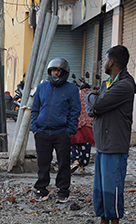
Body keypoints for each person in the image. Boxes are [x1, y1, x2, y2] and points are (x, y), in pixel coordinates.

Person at [84, 45, 136, 224]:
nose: (104, 63)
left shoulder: (124, 86)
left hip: (115, 144)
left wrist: (88, 95)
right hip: (103, 143)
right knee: (100, 187)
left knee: (112, 187)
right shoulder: (109, 84)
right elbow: (93, 110)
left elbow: (97, 104)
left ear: (112, 62)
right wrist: (94, 102)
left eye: (106, 59)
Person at [29, 57, 80, 202]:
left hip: (61, 133)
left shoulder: (72, 89)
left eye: (57, 71)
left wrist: (69, 131)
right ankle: (41, 189)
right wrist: (35, 128)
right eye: (52, 71)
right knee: (42, 163)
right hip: (42, 132)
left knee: (63, 163)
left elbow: (75, 111)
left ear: (64, 72)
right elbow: (35, 108)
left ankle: (63, 191)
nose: (55, 74)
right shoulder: (42, 87)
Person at [71, 79, 95, 175]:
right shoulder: (92, 95)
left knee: (74, 145)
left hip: (77, 124)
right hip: (88, 126)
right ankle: (82, 167)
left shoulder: (76, 95)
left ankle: (75, 160)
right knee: (86, 147)